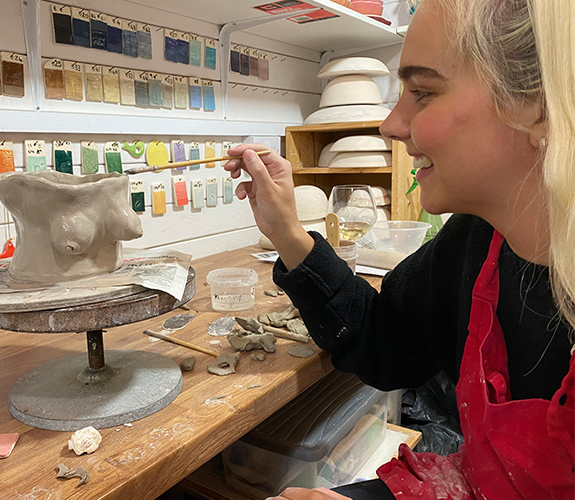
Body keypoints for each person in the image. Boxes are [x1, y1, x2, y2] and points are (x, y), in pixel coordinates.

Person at [224, 0, 575, 498]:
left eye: (423, 92)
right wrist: (287, 233)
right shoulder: (474, 243)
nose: (390, 125)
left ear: (537, 104)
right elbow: (382, 342)